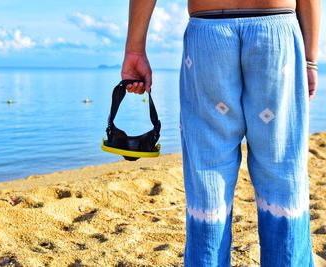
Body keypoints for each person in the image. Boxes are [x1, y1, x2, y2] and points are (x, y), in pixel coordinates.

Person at [121, 0, 320, 266]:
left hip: (208, 34)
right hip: (276, 32)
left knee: (208, 179)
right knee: (283, 178)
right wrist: (310, 60)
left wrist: (135, 49)